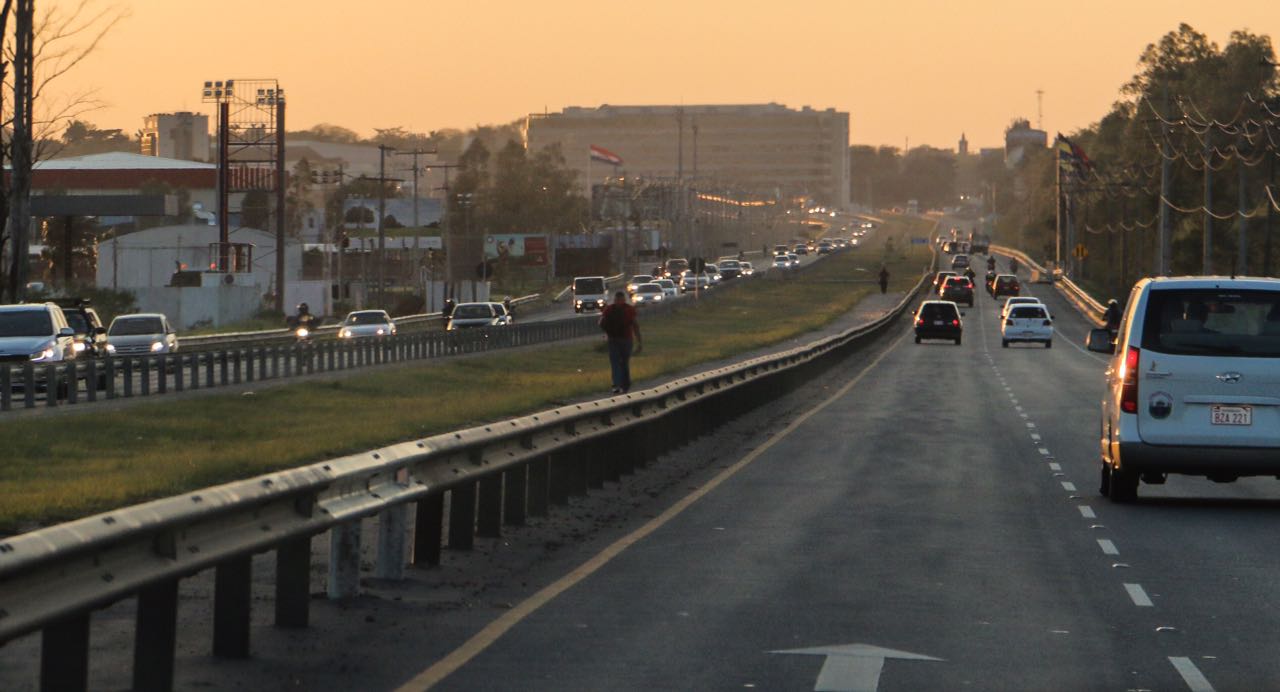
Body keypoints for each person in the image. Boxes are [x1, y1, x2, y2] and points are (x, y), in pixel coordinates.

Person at [599, 291, 642, 394]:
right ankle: (625, 385)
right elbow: (635, 325)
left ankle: (616, 384)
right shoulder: (629, 309)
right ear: (624, 299)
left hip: (613, 339)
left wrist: (607, 332)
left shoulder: (609, 309)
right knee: (624, 362)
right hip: (626, 339)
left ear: (615, 299)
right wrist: (639, 341)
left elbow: (601, 323)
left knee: (615, 363)